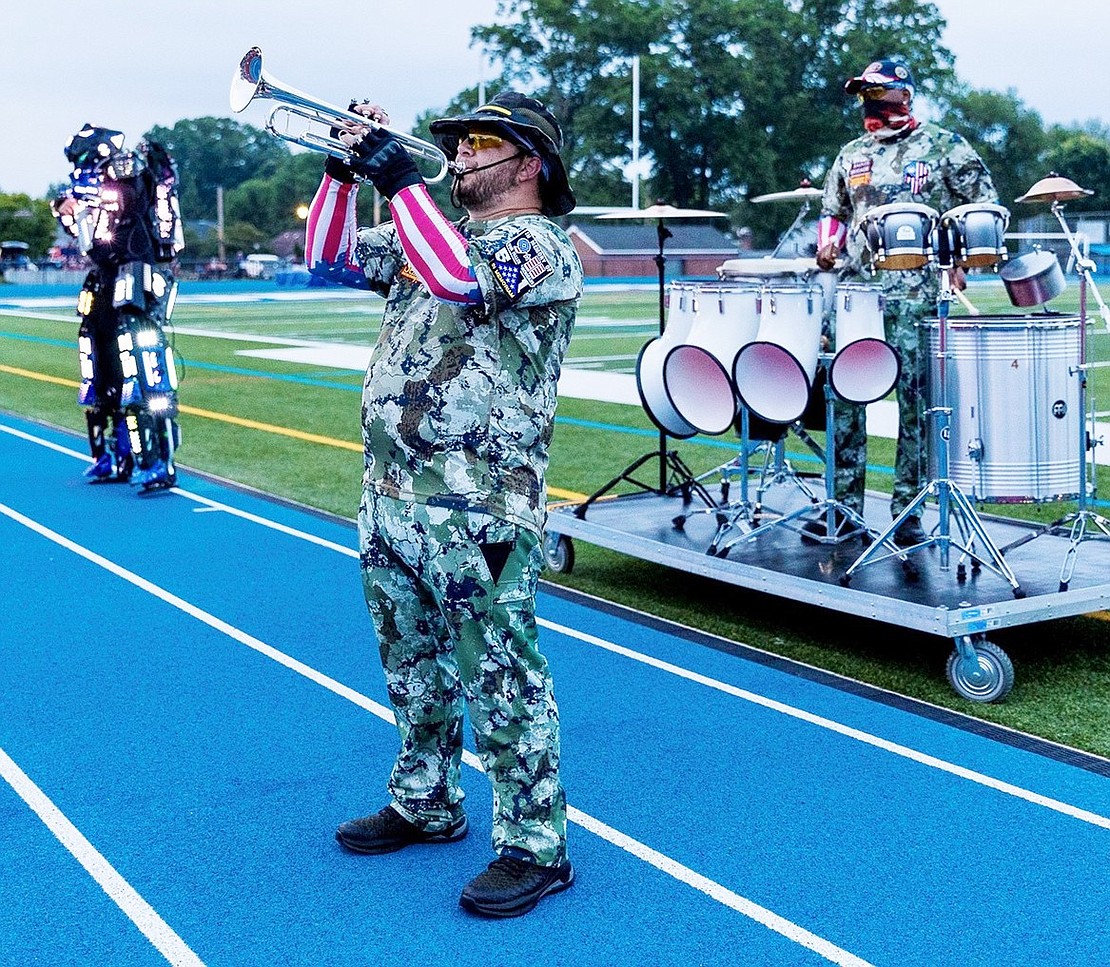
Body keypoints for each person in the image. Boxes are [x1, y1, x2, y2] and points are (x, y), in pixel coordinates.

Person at [304, 92, 582, 917]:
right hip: (390, 496)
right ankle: (427, 799)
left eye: (478, 143)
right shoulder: (437, 232)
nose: (457, 154)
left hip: (481, 507)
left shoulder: (543, 247)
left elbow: (461, 282)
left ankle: (537, 843)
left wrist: (399, 181)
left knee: (500, 673)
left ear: (530, 161)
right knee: (412, 667)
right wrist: (341, 168)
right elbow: (328, 257)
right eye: (452, 143)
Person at [816, 57, 998, 545]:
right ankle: (841, 504)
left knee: (915, 403)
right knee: (845, 396)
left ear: (905, 95)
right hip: (857, 293)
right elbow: (832, 211)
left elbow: (980, 205)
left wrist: (958, 258)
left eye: (878, 94)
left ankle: (907, 510)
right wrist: (826, 241)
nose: (869, 104)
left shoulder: (944, 146)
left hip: (917, 294)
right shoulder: (851, 153)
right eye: (863, 96)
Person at [53, 124, 185, 491]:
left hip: (136, 272)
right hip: (106, 277)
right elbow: (88, 239)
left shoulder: (132, 172)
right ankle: (113, 454)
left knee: (144, 367)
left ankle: (158, 459)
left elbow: (141, 199)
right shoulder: (92, 192)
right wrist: (69, 210)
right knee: (99, 366)